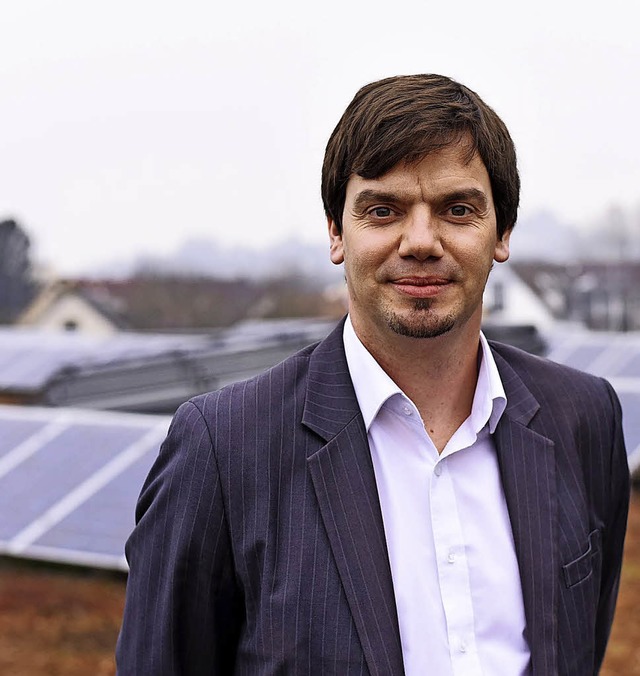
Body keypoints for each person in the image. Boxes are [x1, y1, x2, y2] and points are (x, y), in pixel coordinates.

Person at [116, 74, 629, 675]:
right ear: (337, 232)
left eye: (457, 210)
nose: (419, 241)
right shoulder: (223, 449)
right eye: (383, 210)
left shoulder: (583, 417)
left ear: (503, 232)